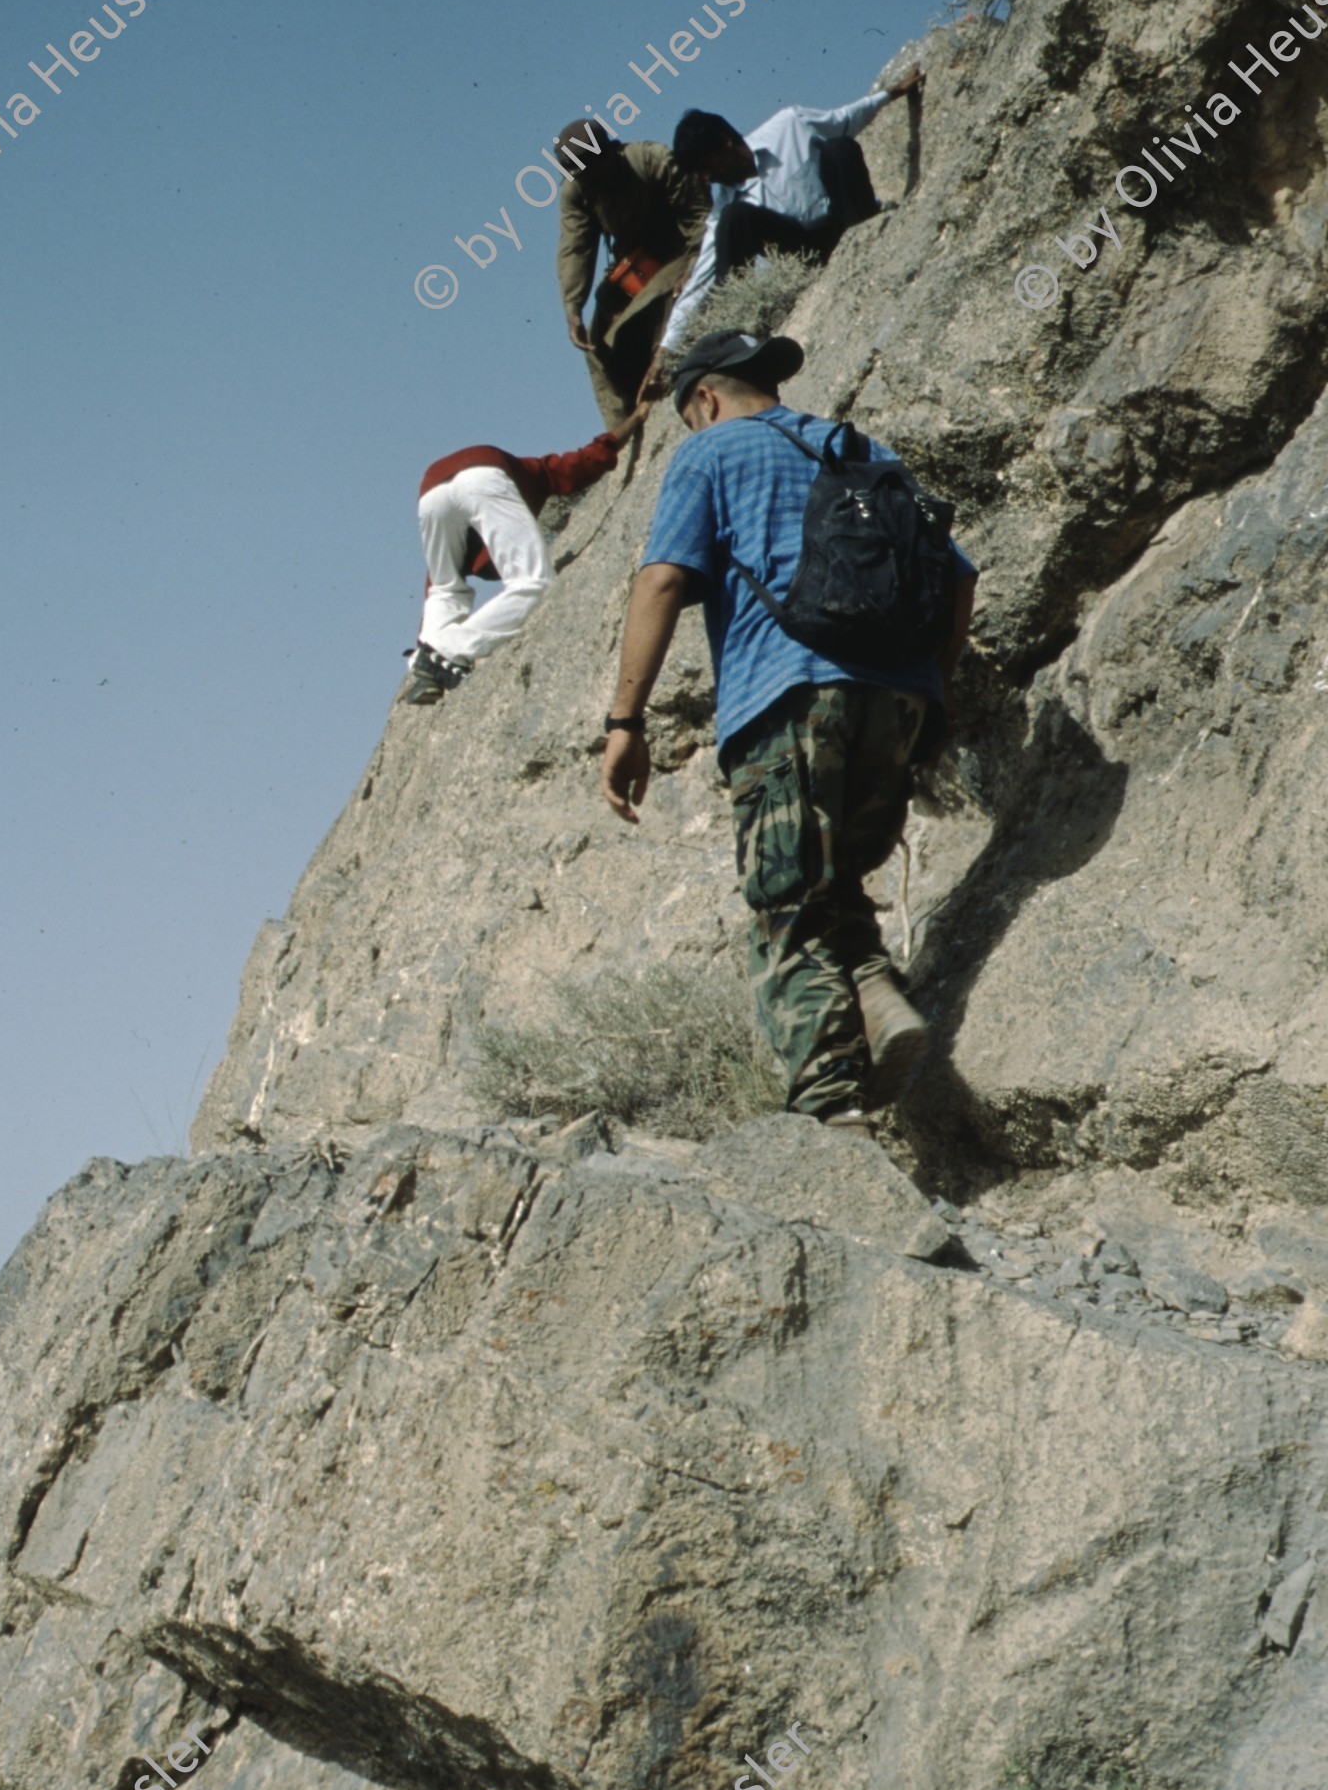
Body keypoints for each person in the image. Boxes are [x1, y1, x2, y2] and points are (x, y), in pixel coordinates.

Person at [599, 328, 976, 1122]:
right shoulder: (863, 450)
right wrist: (932, 691)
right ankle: (876, 993)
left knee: (787, 907)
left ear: (704, 399)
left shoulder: (710, 451)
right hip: (898, 702)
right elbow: (957, 575)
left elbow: (662, 580)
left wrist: (625, 720)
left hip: (789, 699)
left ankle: (828, 1107)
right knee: (832, 883)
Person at [645, 67, 925, 385]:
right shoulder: (725, 203)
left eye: (708, 167)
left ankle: (869, 241)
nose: (709, 178)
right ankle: (733, 337)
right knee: (735, 218)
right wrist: (665, 351)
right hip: (803, 252)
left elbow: (846, 118)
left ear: (725, 142)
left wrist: (893, 92)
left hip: (845, 221)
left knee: (839, 148)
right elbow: (702, 276)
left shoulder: (789, 124)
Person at [401, 411, 641, 705]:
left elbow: (435, 587)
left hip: (431, 492)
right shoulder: (534, 471)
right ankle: (446, 652)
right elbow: (587, 460)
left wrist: (422, 646)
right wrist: (637, 416)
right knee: (534, 584)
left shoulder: (524, 474)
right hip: (483, 473)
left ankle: (427, 660)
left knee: (444, 586)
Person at [552, 118, 712, 432]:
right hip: (634, 265)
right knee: (596, 343)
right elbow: (575, 247)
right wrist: (573, 309)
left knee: (645, 319)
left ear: (607, 154)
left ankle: (662, 393)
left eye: (589, 172)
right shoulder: (578, 191)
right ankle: (623, 431)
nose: (586, 182)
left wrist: (695, 265)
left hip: (682, 252)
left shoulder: (652, 160)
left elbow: (700, 218)